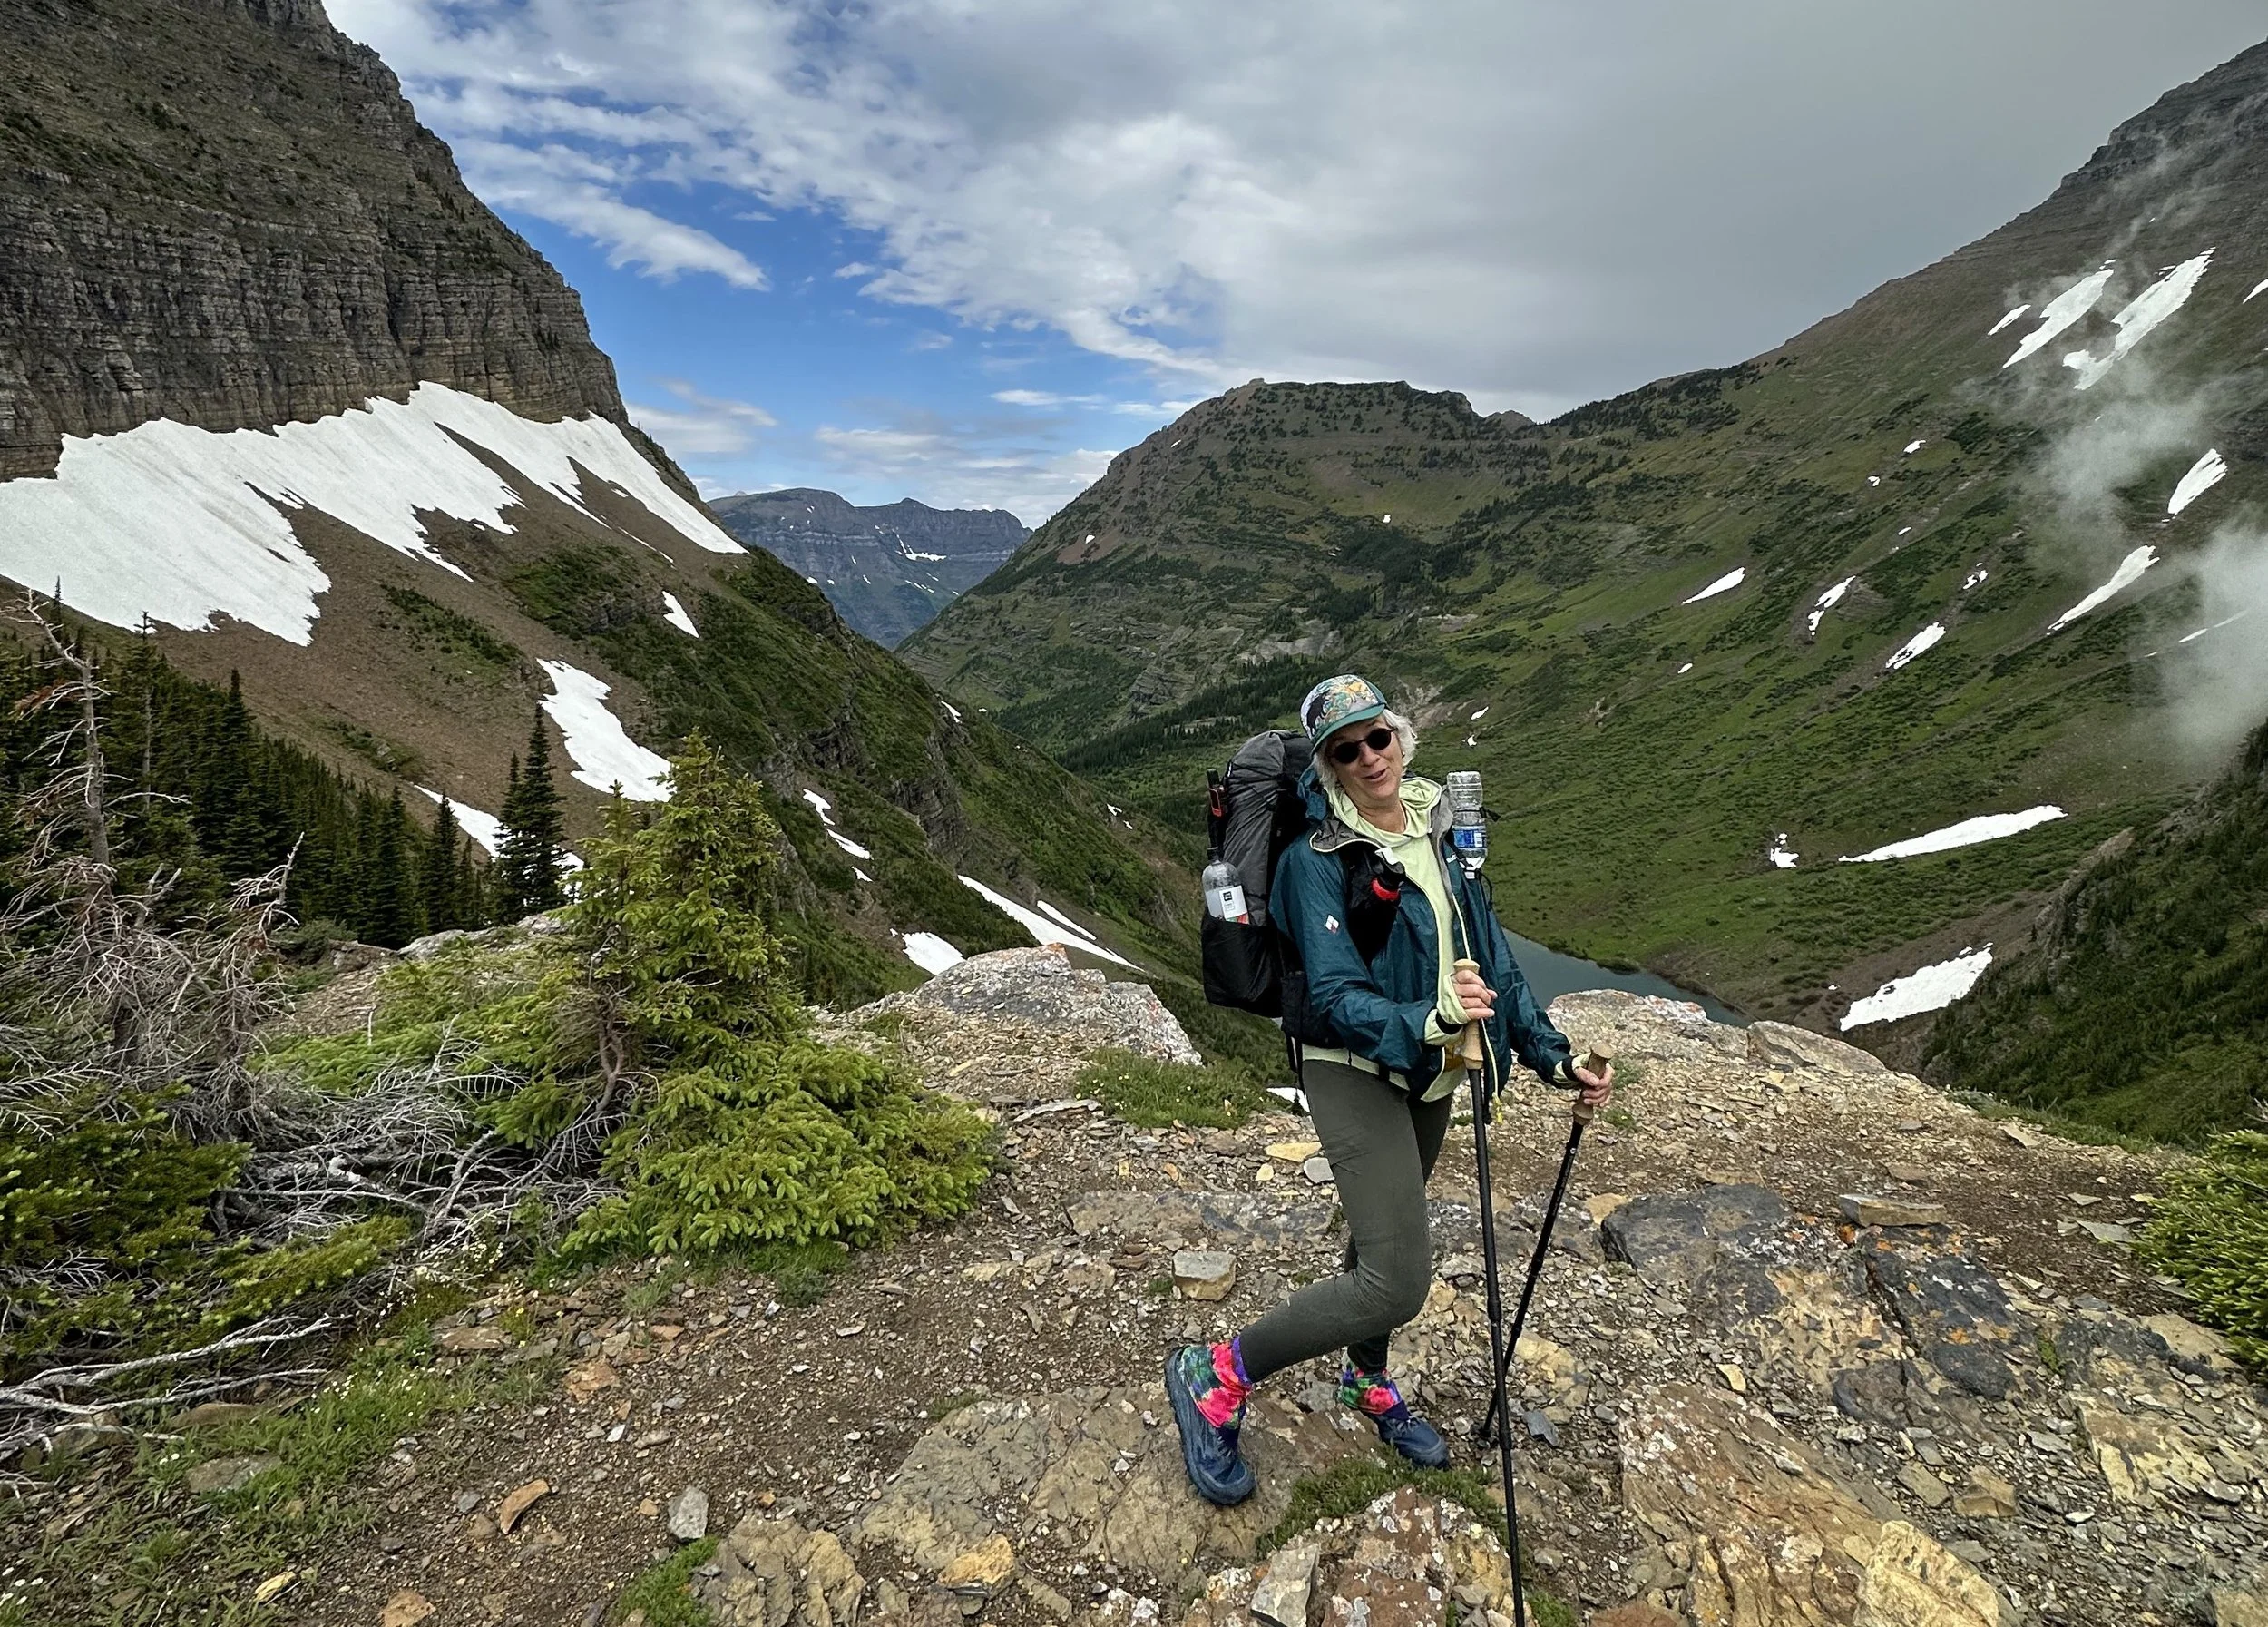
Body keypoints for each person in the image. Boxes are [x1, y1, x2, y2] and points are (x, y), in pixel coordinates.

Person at [1165, 673, 1614, 1506]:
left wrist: (1554, 1058)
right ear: (1328, 768)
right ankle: (1216, 1371)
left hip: (1433, 1069)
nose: (1369, 756)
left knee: (1378, 1244)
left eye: (1378, 736)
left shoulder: (1444, 831)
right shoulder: (1313, 860)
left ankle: (1363, 1380)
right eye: (1347, 749)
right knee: (1398, 1280)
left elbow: (1495, 961)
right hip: (1351, 1068)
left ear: (1399, 736)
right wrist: (1433, 1015)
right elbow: (1333, 996)